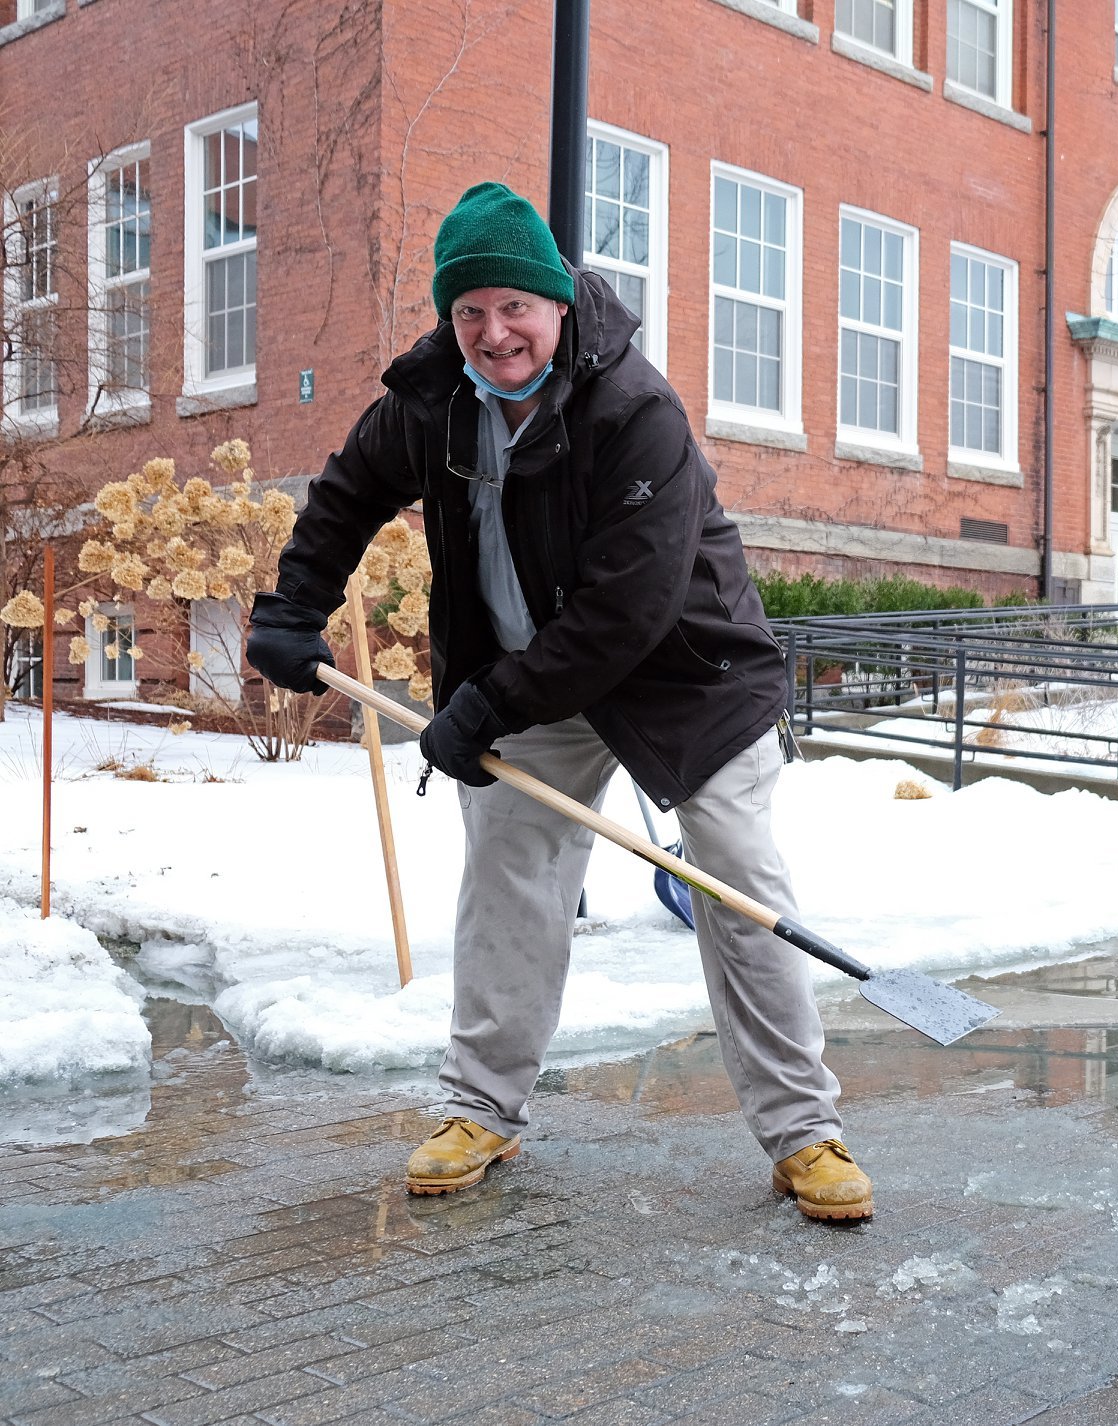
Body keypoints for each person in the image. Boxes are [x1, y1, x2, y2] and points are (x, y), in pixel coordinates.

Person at [244, 182, 871, 1220]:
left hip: (687, 681)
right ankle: (481, 1108)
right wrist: (291, 608)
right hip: (526, 679)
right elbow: (348, 492)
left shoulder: (635, 412)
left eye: (516, 307)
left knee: (737, 881)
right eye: (471, 311)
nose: (496, 333)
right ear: (451, 321)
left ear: (559, 306)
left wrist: (486, 705)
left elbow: (628, 612)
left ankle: (806, 1131)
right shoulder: (429, 401)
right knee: (508, 887)